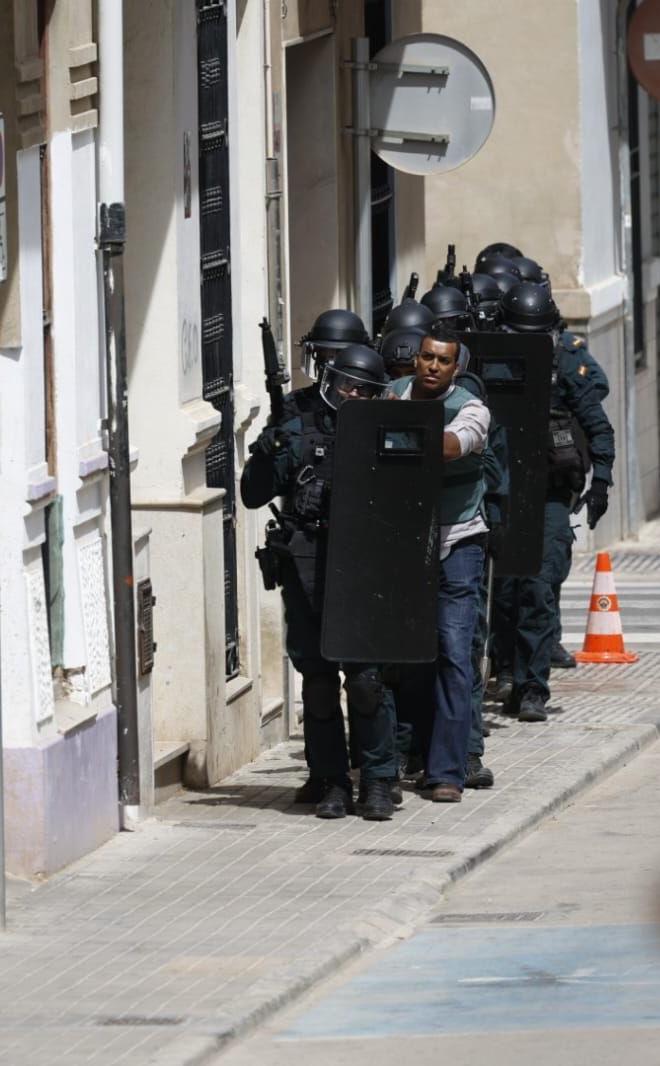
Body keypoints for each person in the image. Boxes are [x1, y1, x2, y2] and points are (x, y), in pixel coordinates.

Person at [242, 339, 400, 820]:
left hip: (366, 565)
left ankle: (378, 779)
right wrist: (267, 452)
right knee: (317, 681)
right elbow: (253, 494)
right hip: (307, 561)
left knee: (366, 681)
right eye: (346, 385)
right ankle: (331, 779)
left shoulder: (388, 427)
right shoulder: (298, 422)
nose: (352, 395)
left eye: (363, 389)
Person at [495, 282, 615, 723]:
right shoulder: (491, 361)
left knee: (538, 588)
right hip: (500, 491)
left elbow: (598, 427)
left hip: (547, 494)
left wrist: (600, 484)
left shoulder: (564, 363)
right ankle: (505, 671)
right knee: (502, 592)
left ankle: (532, 687)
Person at [387, 325, 495, 800]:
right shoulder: (390, 393)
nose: (433, 366)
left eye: (444, 360)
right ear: (416, 358)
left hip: (459, 539)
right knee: (405, 653)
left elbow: (449, 446)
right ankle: (402, 753)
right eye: (427, 357)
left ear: (457, 367)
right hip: (403, 541)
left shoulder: (472, 409)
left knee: (454, 652)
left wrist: (393, 421)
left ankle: (447, 772)